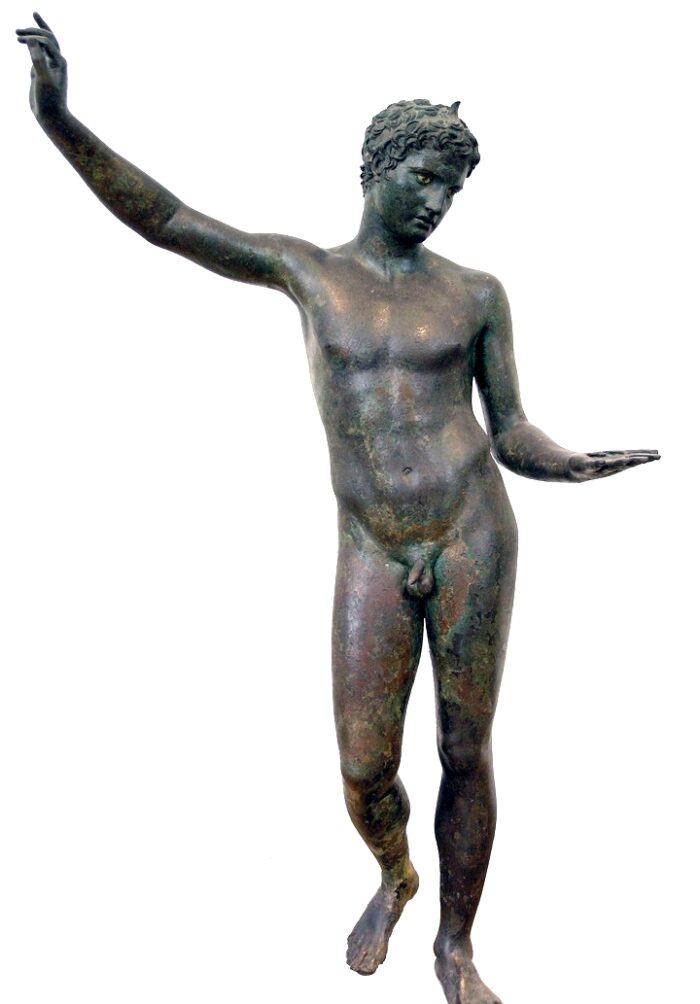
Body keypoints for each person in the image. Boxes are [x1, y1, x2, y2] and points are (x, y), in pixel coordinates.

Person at [16, 14, 659, 1004]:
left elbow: (511, 427)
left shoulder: (478, 293)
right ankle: (396, 873)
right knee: (365, 765)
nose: (438, 202)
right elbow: (169, 219)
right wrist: (60, 118)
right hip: (372, 543)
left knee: (464, 747)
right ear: (378, 167)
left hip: (473, 532)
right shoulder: (310, 272)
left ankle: (456, 946)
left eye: (454, 188)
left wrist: (564, 462)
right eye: (426, 178)